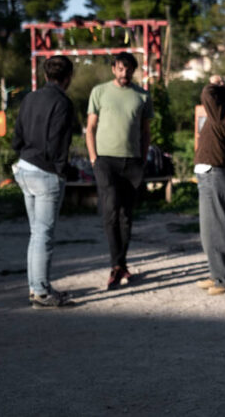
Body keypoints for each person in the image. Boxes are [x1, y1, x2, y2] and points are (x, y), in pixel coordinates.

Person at [12, 56, 76, 309]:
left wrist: (22, 151)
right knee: (43, 234)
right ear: (68, 76)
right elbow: (58, 141)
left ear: (45, 75)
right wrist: (62, 171)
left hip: (25, 166)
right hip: (46, 172)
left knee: (35, 233)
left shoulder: (30, 97)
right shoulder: (63, 102)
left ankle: (35, 286)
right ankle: (41, 291)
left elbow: (17, 134)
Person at [86, 52, 154, 289]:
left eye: (129, 70)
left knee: (126, 215)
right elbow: (90, 128)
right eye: (120, 69)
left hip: (132, 162)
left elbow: (146, 132)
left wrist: (143, 159)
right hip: (105, 161)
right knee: (110, 209)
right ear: (114, 68)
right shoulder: (100, 92)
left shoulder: (142, 95)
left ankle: (120, 264)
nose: (124, 74)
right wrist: (94, 158)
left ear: (134, 71)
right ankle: (116, 265)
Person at [194, 82, 225, 295]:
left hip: (214, 177)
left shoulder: (222, 119)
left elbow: (207, 93)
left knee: (217, 232)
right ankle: (217, 273)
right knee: (209, 232)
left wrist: (215, 84)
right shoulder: (224, 118)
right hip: (211, 177)